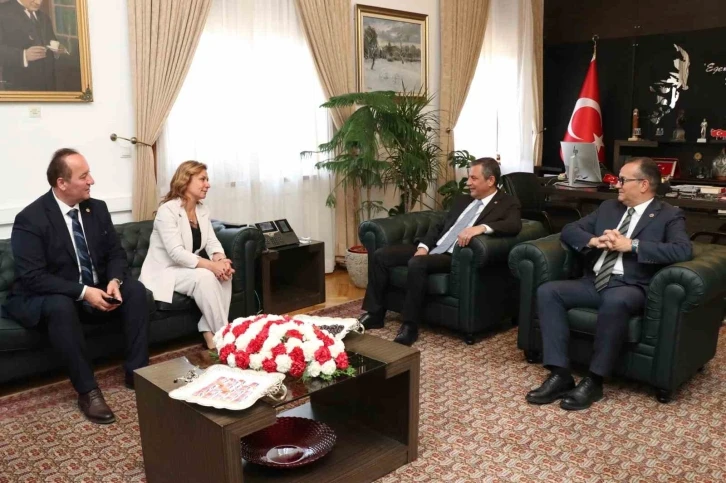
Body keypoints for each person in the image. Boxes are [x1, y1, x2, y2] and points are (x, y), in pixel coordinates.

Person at [526, 157, 692, 411]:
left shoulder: (669, 214)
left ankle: (595, 380)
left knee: (615, 300)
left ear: (644, 184)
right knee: (549, 291)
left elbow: (682, 250)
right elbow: (570, 229)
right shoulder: (608, 208)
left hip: (630, 286)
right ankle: (560, 373)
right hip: (594, 281)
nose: (617, 185)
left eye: (623, 180)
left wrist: (632, 245)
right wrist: (594, 241)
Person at [2, 148, 150, 425]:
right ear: (62, 183)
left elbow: (115, 254)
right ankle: (88, 391)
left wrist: (114, 281)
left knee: (135, 290)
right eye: (84, 176)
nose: (91, 180)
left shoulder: (97, 209)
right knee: (60, 305)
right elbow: (34, 277)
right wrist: (84, 292)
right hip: (43, 296)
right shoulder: (31, 219)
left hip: (90, 288)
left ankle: (138, 373)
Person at [358, 157, 522, 346]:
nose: (468, 183)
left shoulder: (507, 203)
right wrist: (423, 247)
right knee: (381, 255)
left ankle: (410, 325)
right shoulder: (463, 200)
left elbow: (514, 225)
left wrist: (481, 228)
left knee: (417, 263)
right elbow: (438, 226)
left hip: (452, 256)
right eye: (469, 177)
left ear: (491, 180)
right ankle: (375, 314)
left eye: (474, 178)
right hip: (434, 248)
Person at [140, 161, 234, 350]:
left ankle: (209, 333)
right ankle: (226, 338)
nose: (208, 184)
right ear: (186, 180)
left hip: (186, 268)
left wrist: (220, 259)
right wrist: (211, 266)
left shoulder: (202, 210)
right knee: (205, 276)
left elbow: (211, 241)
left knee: (225, 274)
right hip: (165, 271)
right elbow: (176, 253)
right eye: (202, 179)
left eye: (207, 179)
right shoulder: (167, 211)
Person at [0, 0, 61, 91]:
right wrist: (24, 55)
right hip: (20, 85)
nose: (38, 2)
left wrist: (57, 50)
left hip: (48, 84)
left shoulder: (44, 17)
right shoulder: (2, 12)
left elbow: (52, 41)